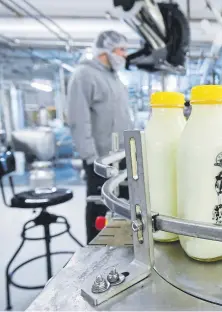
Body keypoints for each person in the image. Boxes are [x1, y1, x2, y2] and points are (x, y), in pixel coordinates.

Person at [67, 30, 132, 244]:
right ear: (107, 50)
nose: (124, 55)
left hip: (121, 156)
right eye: (121, 50)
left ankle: (120, 247)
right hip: (100, 160)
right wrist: (91, 159)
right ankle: (94, 254)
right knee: (99, 207)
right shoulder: (84, 75)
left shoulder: (114, 78)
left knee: (122, 206)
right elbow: (78, 120)